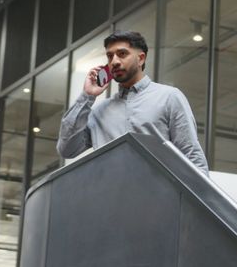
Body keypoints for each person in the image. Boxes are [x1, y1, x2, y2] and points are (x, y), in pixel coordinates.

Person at [57, 31, 208, 172]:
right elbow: (67, 149)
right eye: (110, 56)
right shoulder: (98, 112)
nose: (114, 61)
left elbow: (191, 154)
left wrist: (201, 197)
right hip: (111, 196)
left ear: (141, 58)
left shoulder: (169, 97)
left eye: (122, 54)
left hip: (158, 197)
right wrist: (87, 96)